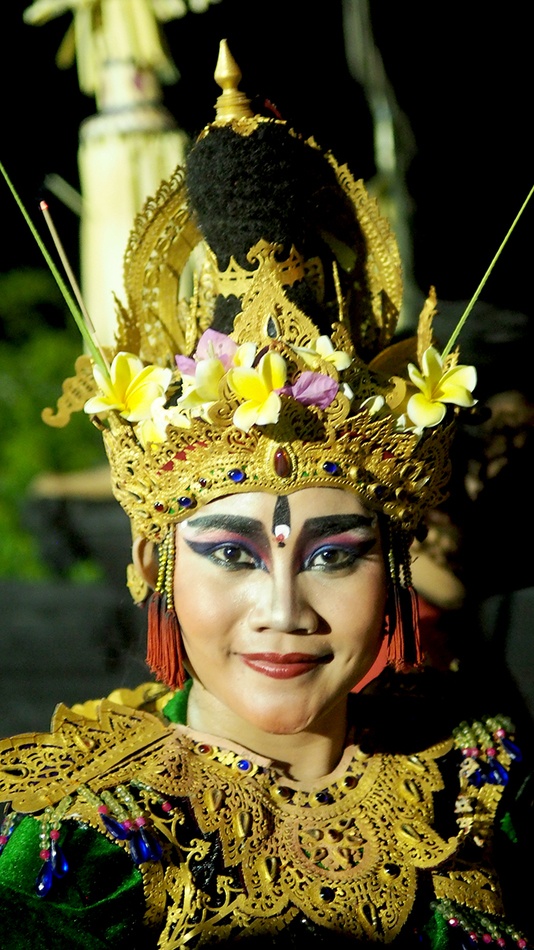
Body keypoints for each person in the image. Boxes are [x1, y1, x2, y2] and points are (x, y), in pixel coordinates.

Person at [0, 39, 532, 950]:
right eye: (230, 553)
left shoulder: (481, 780)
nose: (284, 610)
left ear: (397, 561)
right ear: (152, 562)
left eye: (334, 555)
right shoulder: (80, 846)